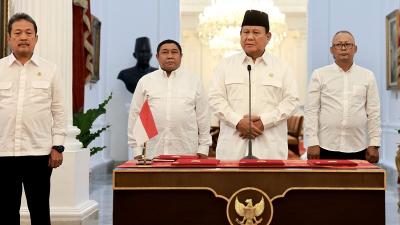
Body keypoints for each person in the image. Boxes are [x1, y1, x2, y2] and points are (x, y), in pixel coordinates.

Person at [0, 13, 66, 225]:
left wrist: (58, 146)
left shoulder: (50, 70)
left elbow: (59, 110)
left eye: (29, 33)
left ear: (36, 38)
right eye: (17, 33)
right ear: (9, 38)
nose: (23, 37)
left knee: (39, 211)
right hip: (3, 152)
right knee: (6, 212)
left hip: (39, 153)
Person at [208, 10, 299, 160]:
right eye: (245, 32)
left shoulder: (282, 68)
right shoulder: (225, 66)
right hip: (232, 148)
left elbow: (292, 101)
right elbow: (215, 99)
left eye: (256, 32)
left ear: (268, 37)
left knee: (271, 184)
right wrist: (237, 122)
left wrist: (265, 121)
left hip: (270, 148)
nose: (249, 37)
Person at [304, 31, 381, 163]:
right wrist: (312, 142)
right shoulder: (319, 75)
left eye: (348, 44)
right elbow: (311, 110)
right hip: (325, 146)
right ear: (332, 50)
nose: (343, 48)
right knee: (325, 183)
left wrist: (374, 143)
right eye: (339, 45)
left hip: (358, 146)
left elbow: (374, 112)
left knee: (356, 184)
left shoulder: (367, 76)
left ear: (355, 49)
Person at [128, 39, 211, 159]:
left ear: (181, 56)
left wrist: (204, 147)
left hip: (186, 152)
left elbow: (203, 116)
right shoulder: (145, 81)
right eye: (165, 52)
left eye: (174, 52)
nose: (170, 56)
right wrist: (136, 149)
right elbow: (135, 114)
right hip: (152, 153)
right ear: (157, 56)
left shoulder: (194, 81)